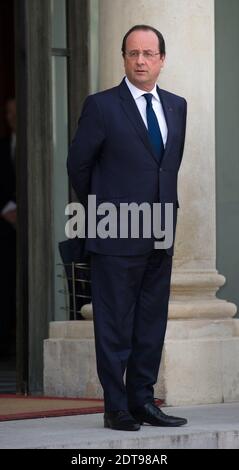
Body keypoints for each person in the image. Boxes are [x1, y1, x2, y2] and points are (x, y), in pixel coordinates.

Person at [67, 25, 187, 431]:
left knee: (150, 324)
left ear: (161, 60)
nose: (140, 61)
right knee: (115, 325)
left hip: (160, 232)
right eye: (133, 53)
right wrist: (105, 210)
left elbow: (165, 167)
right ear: (123, 58)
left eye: (148, 54)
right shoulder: (102, 106)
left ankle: (143, 401)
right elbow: (78, 166)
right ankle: (116, 407)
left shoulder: (176, 106)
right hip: (114, 231)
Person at [0, 98, 16, 357]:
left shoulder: (47, 145)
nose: (13, 116)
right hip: (3, 229)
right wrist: (6, 208)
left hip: (40, 230)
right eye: (9, 112)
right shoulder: (2, 148)